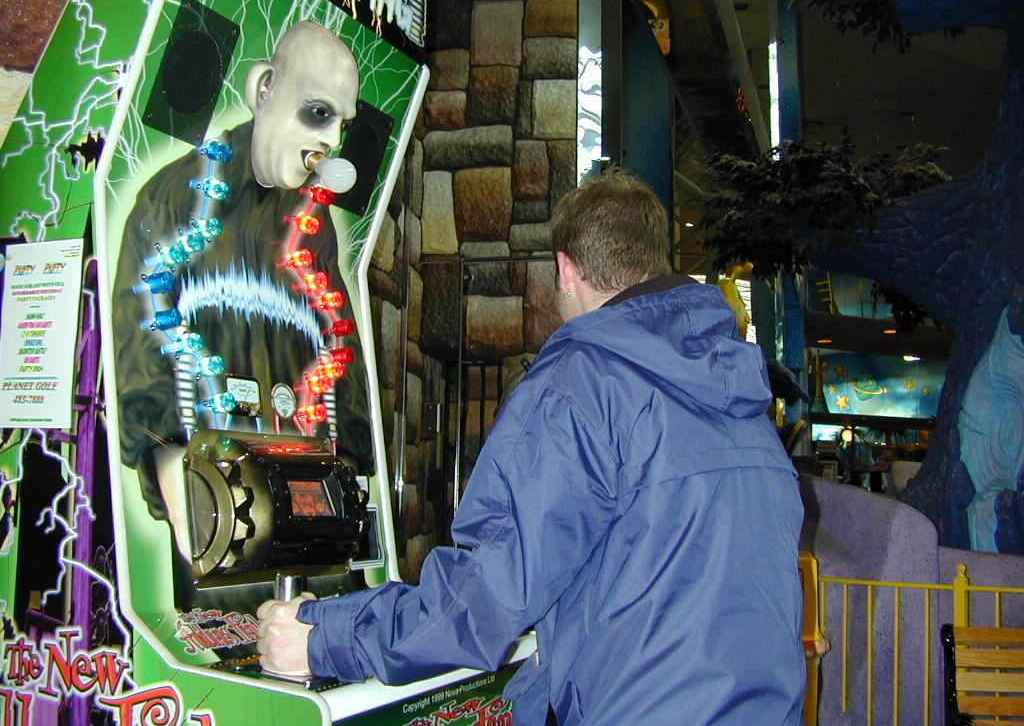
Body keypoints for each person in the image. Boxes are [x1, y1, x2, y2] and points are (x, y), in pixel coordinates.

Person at [257, 169, 806, 725]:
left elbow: (487, 596)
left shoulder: (583, 382)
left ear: (566, 268)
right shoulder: (740, 393)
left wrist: (326, 637)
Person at [112, 21, 371, 539]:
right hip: (219, 515)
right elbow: (143, 364)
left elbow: (342, 358)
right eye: (319, 112)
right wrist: (191, 506)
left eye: (342, 123)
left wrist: (347, 484)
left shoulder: (313, 229)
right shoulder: (174, 200)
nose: (332, 139)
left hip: (306, 507)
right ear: (264, 88)